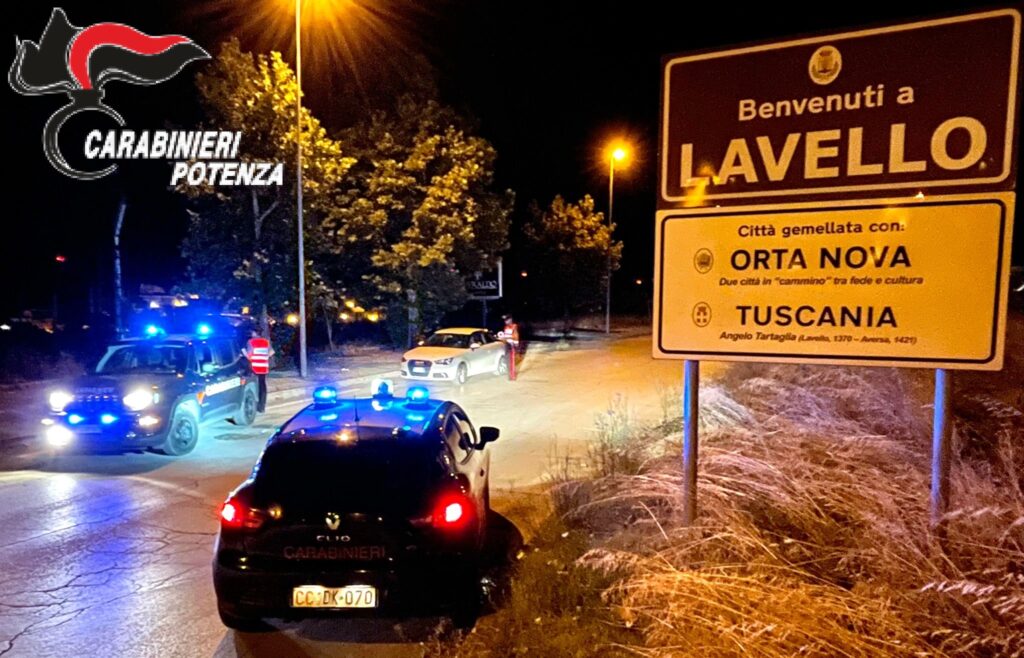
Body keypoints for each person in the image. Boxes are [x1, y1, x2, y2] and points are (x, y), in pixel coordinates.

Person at [242, 328, 274, 413]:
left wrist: (244, 352)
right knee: (262, 386)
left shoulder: (251, 342)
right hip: (263, 367)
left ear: (255, 333)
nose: (251, 333)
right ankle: (261, 407)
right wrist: (263, 357)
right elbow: (271, 352)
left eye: (252, 332)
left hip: (254, 367)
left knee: (253, 386)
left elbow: (249, 355)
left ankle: (253, 404)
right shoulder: (265, 341)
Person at [497, 314, 520, 381]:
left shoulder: (514, 326)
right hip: (507, 344)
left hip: (512, 345)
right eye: (505, 320)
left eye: (506, 320)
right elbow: (505, 335)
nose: (505, 321)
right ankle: (509, 375)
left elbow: (515, 336)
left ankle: (512, 377)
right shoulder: (506, 327)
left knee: (511, 361)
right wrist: (502, 338)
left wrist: (516, 344)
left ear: (510, 320)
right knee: (507, 360)